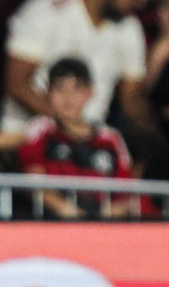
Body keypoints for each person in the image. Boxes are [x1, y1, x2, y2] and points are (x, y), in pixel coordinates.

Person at [0, 0, 162, 135]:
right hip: (26, 136)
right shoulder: (45, 11)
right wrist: (70, 129)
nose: (140, 2)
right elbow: (17, 84)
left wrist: (153, 137)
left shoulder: (130, 27)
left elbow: (131, 99)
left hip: (90, 147)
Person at [17, 57, 141, 218]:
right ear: (47, 93)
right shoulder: (40, 129)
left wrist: (98, 218)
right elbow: (34, 182)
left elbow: (124, 194)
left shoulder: (111, 139)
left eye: (77, 89)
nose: (68, 98)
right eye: (60, 89)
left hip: (102, 227)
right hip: (53, 224)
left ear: (90, 92)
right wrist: (71, 214)